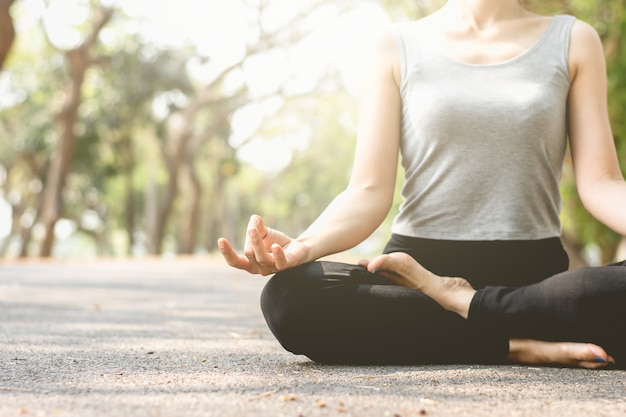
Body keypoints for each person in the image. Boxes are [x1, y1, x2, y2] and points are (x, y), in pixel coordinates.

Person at [218, 0, 626, 369]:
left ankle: (482, 314)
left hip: (533, 286)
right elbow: (368, 190)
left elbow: (603, 182)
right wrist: (302, 247)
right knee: (290, 297)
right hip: (415, 279)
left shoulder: (573, 39)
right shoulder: (396, 45)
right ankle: (517, 344)